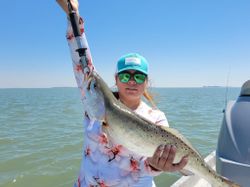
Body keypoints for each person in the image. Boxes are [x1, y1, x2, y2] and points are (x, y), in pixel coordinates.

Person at [57, 0, 188, 186]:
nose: (132, 81)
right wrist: (73, 16)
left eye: (139, 77)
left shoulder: (157, 118)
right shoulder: (95, 100)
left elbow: (144, 165)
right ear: (116, 80)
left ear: (146, 82)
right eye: (126, 76)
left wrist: (156, 164)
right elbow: (83, 64)